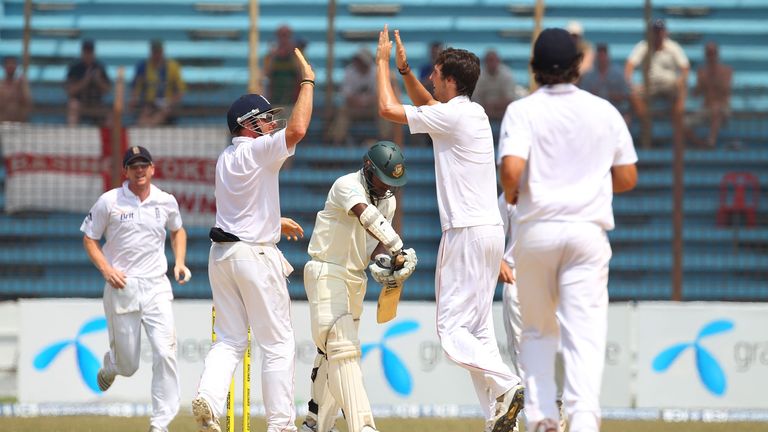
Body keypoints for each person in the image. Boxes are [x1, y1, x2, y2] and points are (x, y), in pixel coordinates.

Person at [376, 25, 524, 432]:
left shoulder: (454, 115)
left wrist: (383, 63)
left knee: (450, 331)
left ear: (451, 80)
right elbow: (425, 105)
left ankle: (510, 384)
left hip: (464, 232)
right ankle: (498, 412)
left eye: (435, 74)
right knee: (478, 331)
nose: (429, 80)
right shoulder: (468, 112)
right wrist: (406, 71)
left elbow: (389, 109)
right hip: (490, 232)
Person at [498, 28, 638, 432]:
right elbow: (627, 176)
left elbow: (510, 172)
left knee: (538, 331)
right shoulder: (603, 110)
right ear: (579, 67)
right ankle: (582, 421)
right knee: (584, 334)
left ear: (534, 69)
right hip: (586, 234)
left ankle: (542, 419)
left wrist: (516, 193)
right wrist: (587, 179)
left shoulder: (523, 110)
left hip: (536, 231)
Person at [191, 47, 315, 432]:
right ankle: (281, 426)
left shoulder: (226, 158)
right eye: (264, 120)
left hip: (222, 255)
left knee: (229, 340)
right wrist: (308, 82)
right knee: (277, 344)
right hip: (254, 257)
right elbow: (298, 130)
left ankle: (209, 399)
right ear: (248, 126)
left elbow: (241, 207)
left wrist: (274, 220)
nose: (271, 125)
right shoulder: (258, 152)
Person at [300, 141, 417, 432]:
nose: (388, 187)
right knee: (343, 347)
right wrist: (397, 248)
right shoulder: (346, 185)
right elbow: (366, 217)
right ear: (368, 168)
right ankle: (363, 426)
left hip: (355, 279)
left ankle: (316, 424)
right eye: (384, 179)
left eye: (393, 182)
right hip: (327, 271)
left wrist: (386, 262)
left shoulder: (387, 201)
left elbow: (374, 244)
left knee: (332, 354)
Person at [81, 145, 191, 432]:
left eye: (144, 165)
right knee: (129, 366)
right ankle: (112, 365)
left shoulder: (165, 201)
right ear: (125, 171)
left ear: (153, 169)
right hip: (123, 287)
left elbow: (178, 230)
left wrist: (179, 262)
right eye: (134, 166)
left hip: (157, 285)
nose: (140, 170)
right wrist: (107, 270)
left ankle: (160, 424)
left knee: (165, 352)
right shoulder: (109, 201)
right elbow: (90, 238)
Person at [625, 18, 689, 144]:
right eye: (655, 31)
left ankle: (677, 125)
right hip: (650, 85)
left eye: (660, 31)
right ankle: (647, 123)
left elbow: (685, 68)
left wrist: (680, 80)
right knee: (633, 96)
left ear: (665, 32)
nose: (658, 34)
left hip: (669, 84)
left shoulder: (673, 47)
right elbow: (629, 65)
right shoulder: (643, 46)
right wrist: (632, 83)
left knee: (681, 89)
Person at [327, 47, 393, 146]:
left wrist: (365, 102)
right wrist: (360, 102)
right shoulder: (350, 71)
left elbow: (380, 96)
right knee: (342, 111)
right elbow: (346, 95)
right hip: (354, 108)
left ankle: (387, 142)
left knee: (385, 111)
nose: (359, 62)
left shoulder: (377, 71)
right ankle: (336, 143)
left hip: (372, 107)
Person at [686, 41, 732, 148]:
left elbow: (725, 90)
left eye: (713, 53)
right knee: (683, 123)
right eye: (709, 54)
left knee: (716, 108)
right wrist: (701, 82)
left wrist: (712, 77)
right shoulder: (702, 72)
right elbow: (696, 94)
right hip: (706, 109)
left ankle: (711, 141)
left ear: (717, 54)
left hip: (723, 109)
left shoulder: (726, 71)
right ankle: (700, 144)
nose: (711, 56)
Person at [129, 40, 186, 126]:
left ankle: (147, 127)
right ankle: (144, 127)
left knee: (162, 112)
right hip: (149, 103)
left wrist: (170, 102)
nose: (157, 55)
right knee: (145, 112)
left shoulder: (172, 66)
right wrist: (134, 100)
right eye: (154, 52)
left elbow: (180, 91)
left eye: (158, 51)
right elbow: (135, 88)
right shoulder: (143, 66)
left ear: (162, 51)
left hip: (167, 104)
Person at [579, 43, 632, 124]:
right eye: (600, 56)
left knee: (625, 118)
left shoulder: (617, 74)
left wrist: (612, 95)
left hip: (616, 110)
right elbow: (582, 95)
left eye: (603, 56)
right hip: (595, 112)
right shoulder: (589, 75)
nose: (602, 59)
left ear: (607, 56)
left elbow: (626, 94)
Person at [66, 39, 111, 126]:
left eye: (90, 53)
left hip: (96, 103)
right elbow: (70, 91)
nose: (88, 55)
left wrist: (98, 80)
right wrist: (85, 80)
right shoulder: (75, 69)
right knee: (73, 105)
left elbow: (107, 90)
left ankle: (108, 137)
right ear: (82, 53)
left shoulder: (99, 67)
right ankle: (71, 134)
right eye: (86, 53)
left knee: (110, 113)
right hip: (80, 103)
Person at [264, 24, 301, 112]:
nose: (284, 39)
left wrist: (292, 53)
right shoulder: (271, 56)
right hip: (275, 99)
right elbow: (266, 74)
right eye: (281, 36)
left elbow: (301, 74)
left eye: (286, 36)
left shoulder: (297, 55)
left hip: (292, 100)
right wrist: (274, 54)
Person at [473, 50, 518, 121]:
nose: (492, 63)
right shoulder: (479, 75)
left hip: (503, 113)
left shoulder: (506, 74)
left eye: (494, 60)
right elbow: (475, 98)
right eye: (489, 61)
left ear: (499, 61)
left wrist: (493, 106)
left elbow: (510, 98)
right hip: (483, 113)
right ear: (485, 62)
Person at [0, 55, 32, 122]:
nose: (10, 66)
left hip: (18, 123)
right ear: (3, 66)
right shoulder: (1, 85)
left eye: (13, 64)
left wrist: (21, 88)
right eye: (8, 64)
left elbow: (28, 104)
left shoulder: (21, 85)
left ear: (16, 66)